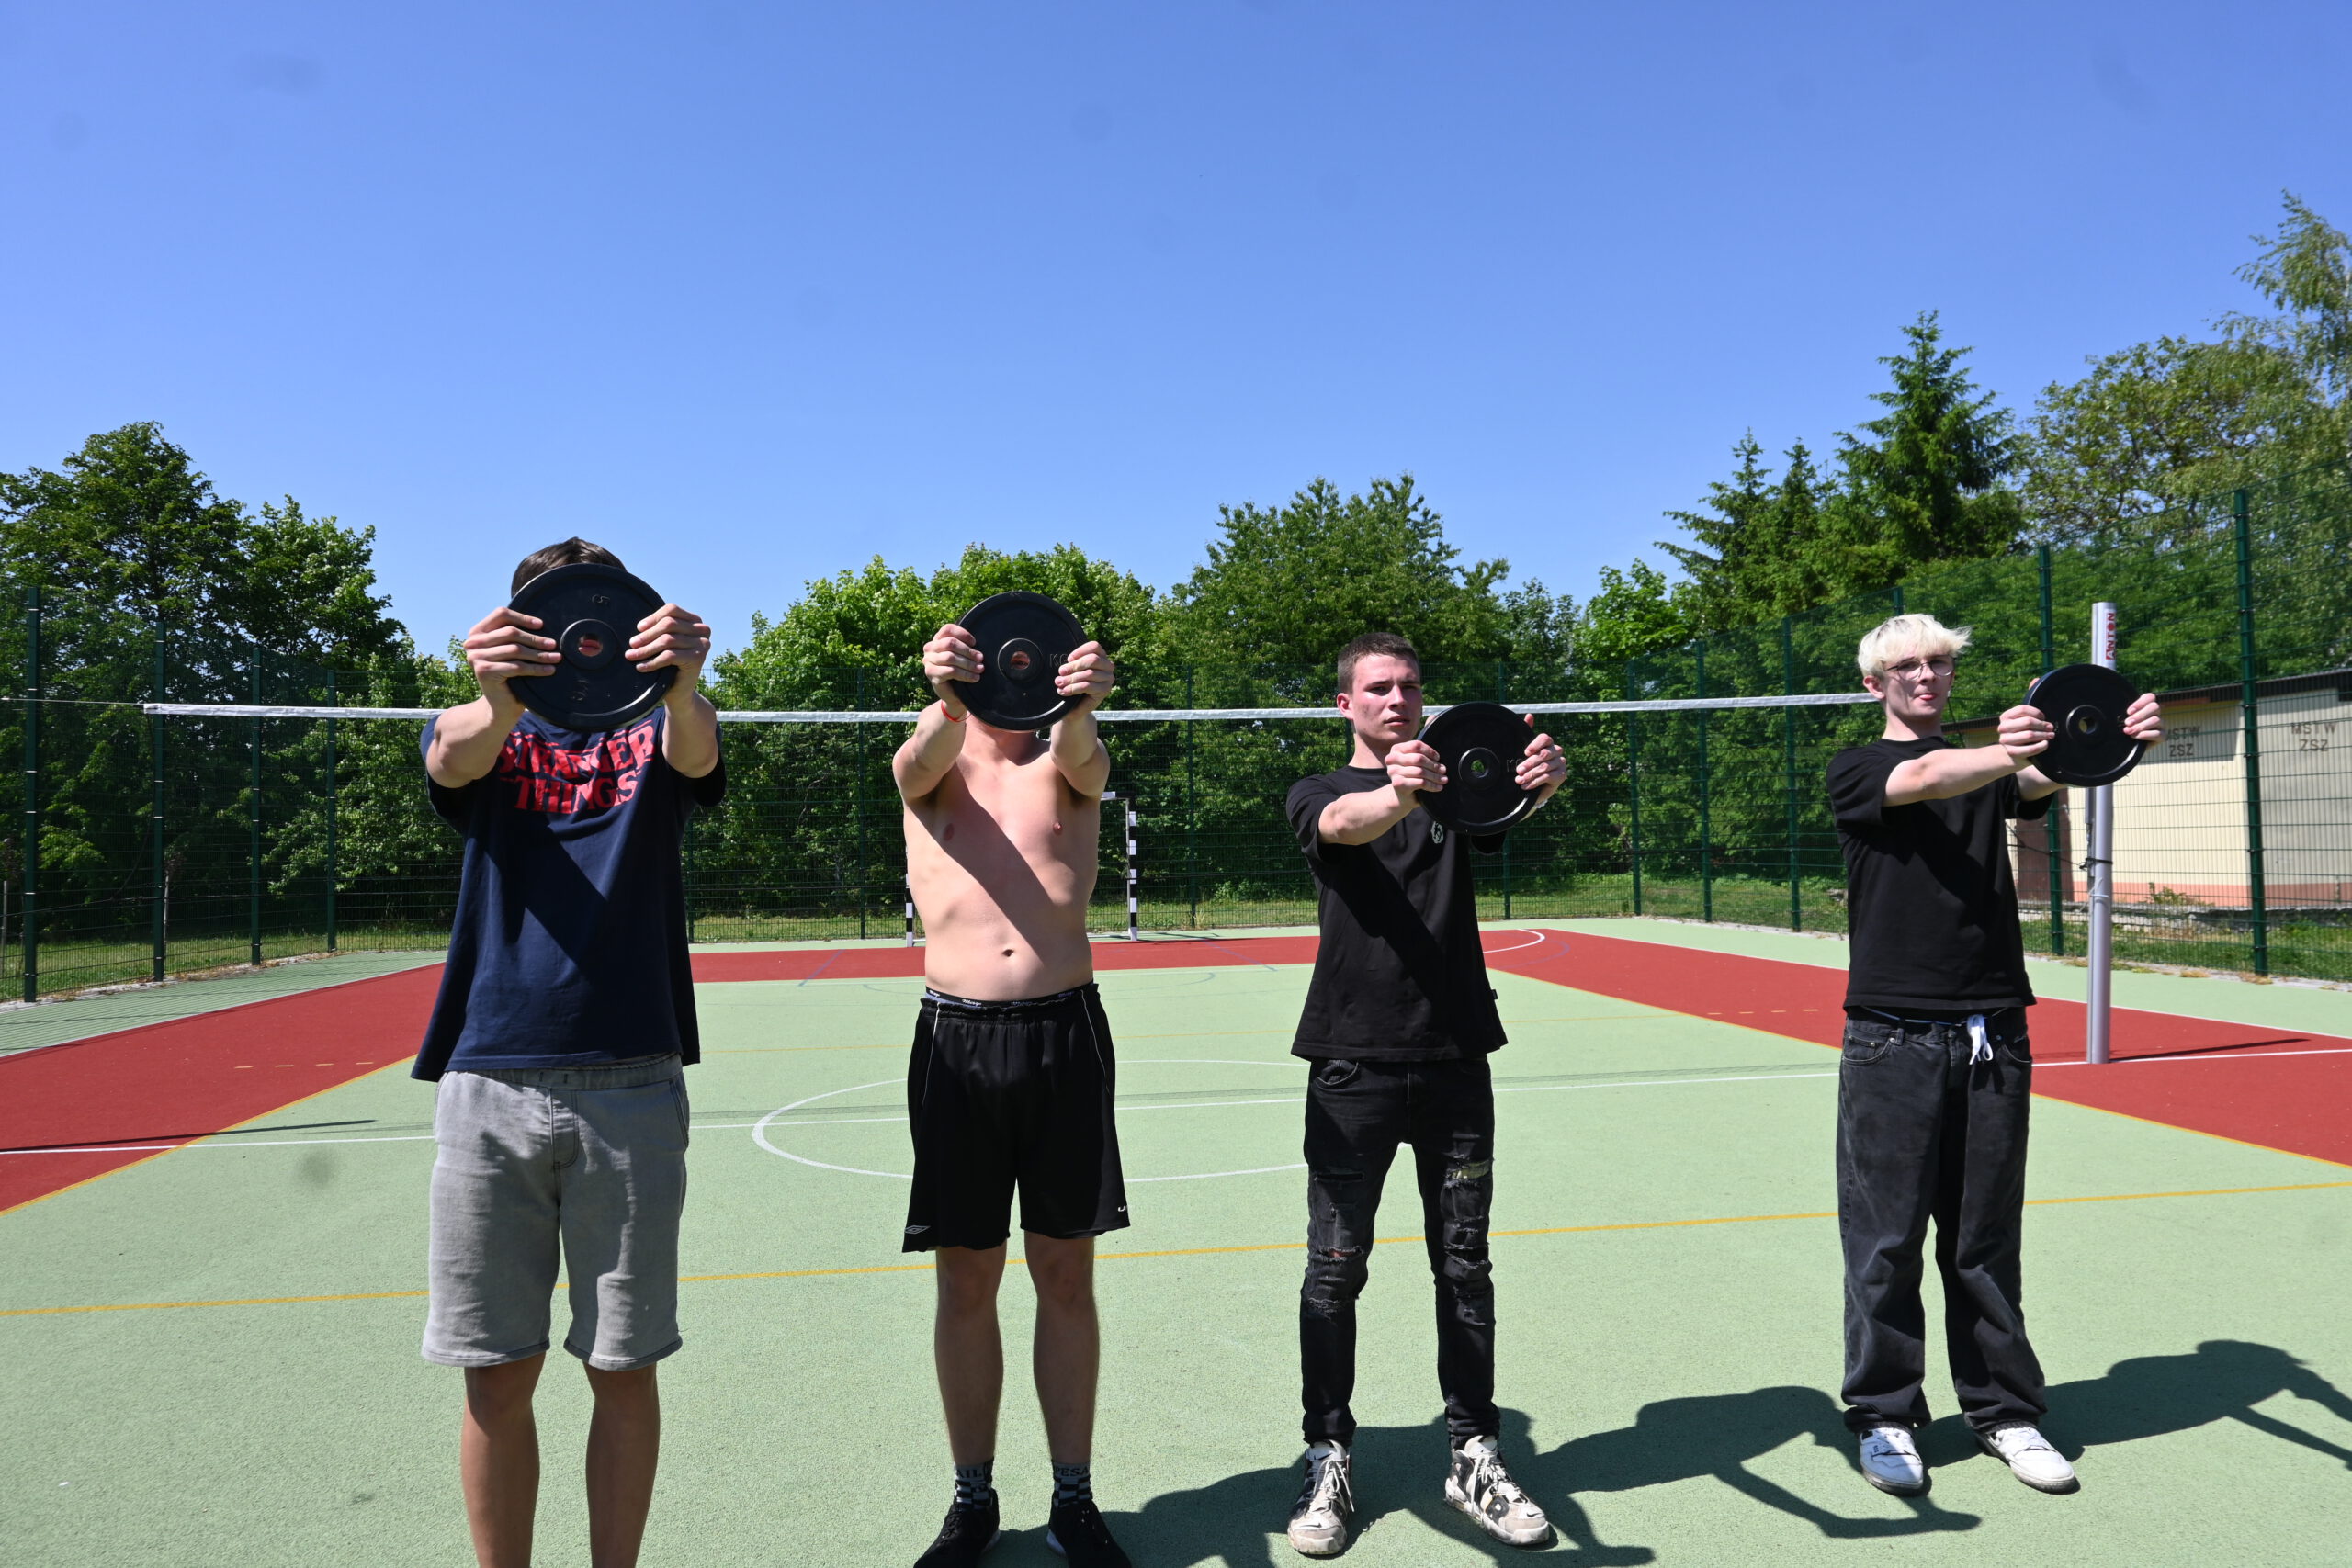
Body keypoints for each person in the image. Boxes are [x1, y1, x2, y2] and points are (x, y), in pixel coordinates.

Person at [416, 538, 724, 1568]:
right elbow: (452, 758)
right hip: (490, 1079)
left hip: (632, 1078)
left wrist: (683, 680)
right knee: (496, 1371)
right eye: (546, 618)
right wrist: (496, 694)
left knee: (622, 1368)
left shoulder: (661, 721)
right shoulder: (480, 723)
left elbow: (698, 755)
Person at [1827, 614, 2161, 1498]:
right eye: (1907, 665)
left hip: (1994, 1034)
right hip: (1891, 1037)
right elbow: (1928, 776)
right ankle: (1885, 1415)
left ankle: (2004, 1411)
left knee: (1984, 1240)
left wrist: (2119, 736)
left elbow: (2057, 770)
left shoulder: (1990, 769)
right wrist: (2012, 752)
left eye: (1939, 662)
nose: (1926, 676)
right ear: (1874, 684)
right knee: (1886, 1241)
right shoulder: (1860, 768)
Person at [1280, 631, 1568, 1558]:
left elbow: (1504, 806)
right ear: (1346, 704)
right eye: (1378, 687)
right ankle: (1327, 1455)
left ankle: (1474, 1454)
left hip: (1454, 1062)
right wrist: (1403, 792)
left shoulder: (1454, 789)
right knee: (1334, 1269)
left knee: (1465, 1266)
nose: (1397, 699)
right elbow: (1345, 825)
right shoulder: (1320, 792)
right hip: (1351, 1066)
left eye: (1409, 685)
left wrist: (1542, 779)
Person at [894, 615, 1131, 1568]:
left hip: (1064, 1035)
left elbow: (1085, 760)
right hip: (955, 1040)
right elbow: (917, 761)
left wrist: (1083, 699)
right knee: (966, 1277)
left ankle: (1073, 1496)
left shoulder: (1068, 758)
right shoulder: (931, 756)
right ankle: (973, 1498)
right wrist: (946, 694)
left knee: (1065, 1274)